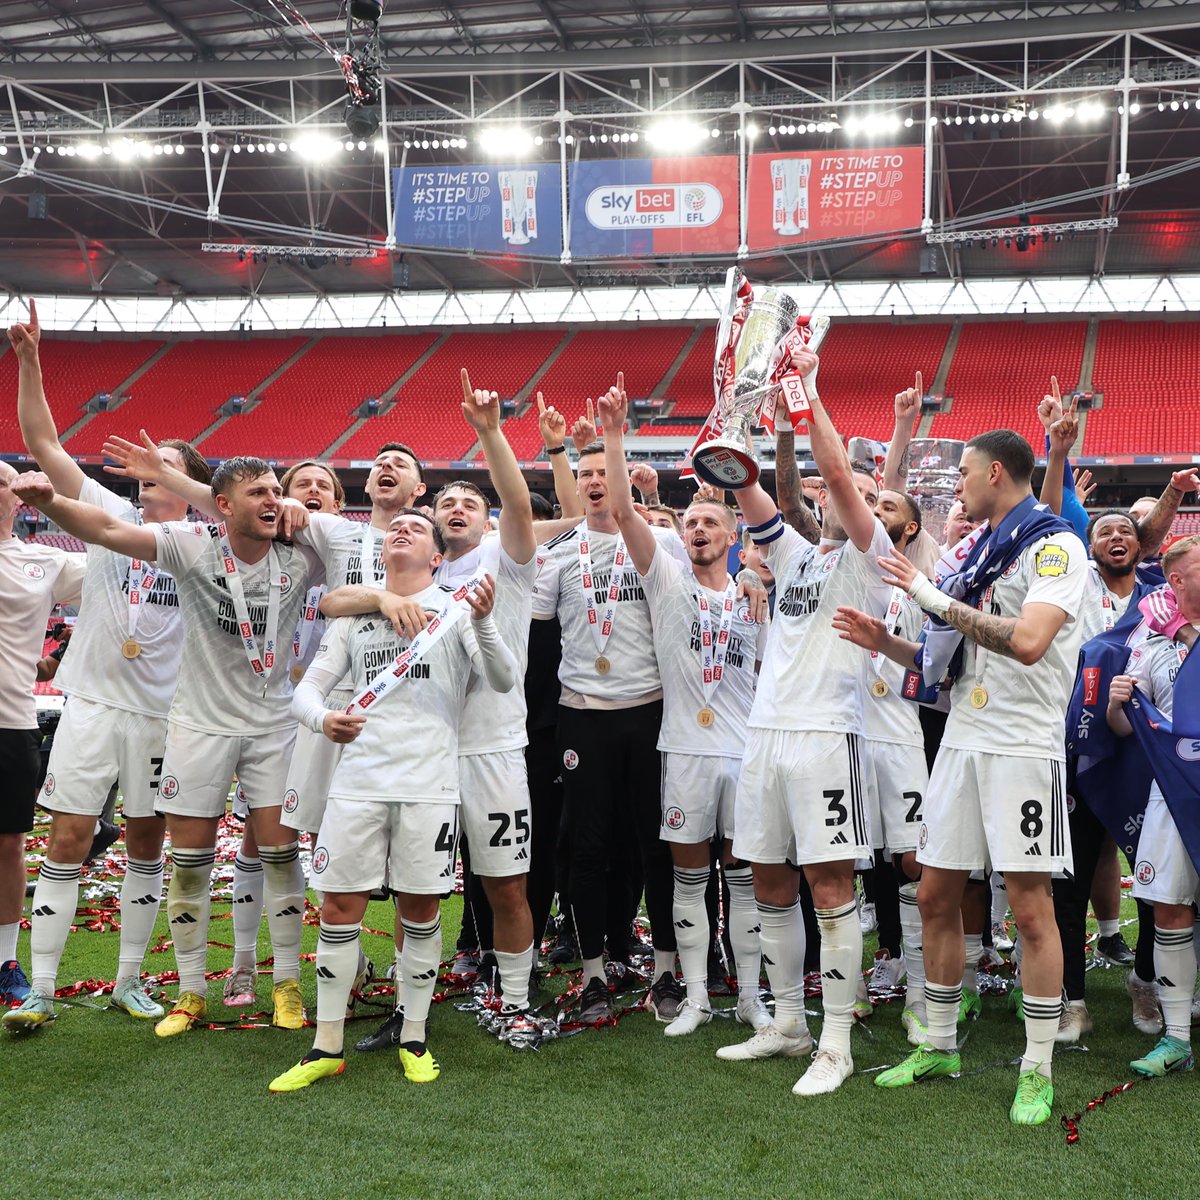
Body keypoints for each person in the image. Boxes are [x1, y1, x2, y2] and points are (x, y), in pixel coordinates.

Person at [13, 458, 323, 1037]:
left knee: (280, 856)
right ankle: (189, 991)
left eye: (276, 491)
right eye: (259, 491)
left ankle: (284, 985)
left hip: (273, 727)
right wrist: (49, 503)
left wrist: (313, 512)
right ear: (222, 504)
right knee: (190, 863)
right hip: (196, 726)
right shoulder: (190, 546)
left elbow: (373, 558)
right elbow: (106, 531)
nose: (274, 500)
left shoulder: (304, 552)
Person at [835, 425, 1087, 1126]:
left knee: (1031, 908)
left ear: (999, 475)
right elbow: (959, 655)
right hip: (966, 740)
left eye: (967, 474)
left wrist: (926, 592)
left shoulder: (1057, 545)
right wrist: (886, 641)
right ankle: (940, 1042)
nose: (959, 487)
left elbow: (1030, 643)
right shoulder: (980, 552)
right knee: (936, 893)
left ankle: (1036, 1068)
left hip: (1021, 745)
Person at [3, 306, 211, 1030]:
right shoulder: (105, 512)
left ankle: (128, 980)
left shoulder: (206, 548)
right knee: (65, 837)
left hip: (162, 715)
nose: (148, 476)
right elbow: (42, 442)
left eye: (169, 470)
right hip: (90, 702)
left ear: (190, 486)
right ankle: (46, 988)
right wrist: (30, 361)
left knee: (148, 844)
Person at [268, 509, 516, 1092]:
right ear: (383, 555)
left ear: (437, 556)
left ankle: (415, 1035)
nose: (400, 531)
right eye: (394, 529)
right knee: (336, 911)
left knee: (422, 912)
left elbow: (503, 681)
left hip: (430, 787)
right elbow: (303, 691)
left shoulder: (459, 611)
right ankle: (326, 1044)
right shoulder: (357, 617)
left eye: (415, 528)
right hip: (356, 785)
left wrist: (483, 622)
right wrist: (323, 718)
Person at [718, 346, 893, 1097]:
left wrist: (805, 395)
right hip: (765, 736)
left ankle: (838, 1042)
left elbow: (844, 485)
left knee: (828, 887)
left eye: (845, 486)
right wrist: (732, 419)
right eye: (822, 488)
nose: (831, 492)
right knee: (766, 881)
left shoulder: (871, 552)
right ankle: (787, 1023)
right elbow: (747, 493)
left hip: (827, 735)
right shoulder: (795, 555)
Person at [597, 383, 768, 1036]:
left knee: (747, 883)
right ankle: (695, 997)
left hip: (744, 751)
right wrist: (616, 435)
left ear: (730, 536)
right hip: (687, 753)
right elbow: (620, 511)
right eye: (689, 523)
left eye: (708, 524)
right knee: (689, 881)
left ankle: (750, 997)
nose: (696, 529)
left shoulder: (760, 590)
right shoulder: (664, 580)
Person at [531, 375, 691, 1025]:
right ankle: (594, 972)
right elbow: (536, 635)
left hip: (650, 710)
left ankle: (664, 972)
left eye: (607, 470)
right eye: (587, 472)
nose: (597, 481)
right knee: (588, 846)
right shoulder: (560, 557)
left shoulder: (663, 543)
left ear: (622, 476)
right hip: (583, 714)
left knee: (655, 844)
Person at [1107, 534, 1199, 1078]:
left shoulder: (1179, 630)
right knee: (1169, 910)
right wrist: (1121, 704)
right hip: (1172, 791)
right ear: (1177, 581)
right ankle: (1177, 1037)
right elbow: (1124, 727)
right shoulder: (1148, 638)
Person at [0, 461, 85, 1005]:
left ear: (18, 498)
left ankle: (5, 963)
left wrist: (59, 656)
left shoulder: (44, 560)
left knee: (7, 844)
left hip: (10, 719)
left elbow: (120, 594)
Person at [854, 488, 929, 1041]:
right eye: (870, 505)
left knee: (911, 860)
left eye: (888, 509)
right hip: (848, 737)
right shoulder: (838, 568)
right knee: (844, 860)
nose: (876, 514)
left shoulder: (929, 585)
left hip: (901, 735)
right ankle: (855, 983)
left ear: (909, 530)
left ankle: (922, 991)